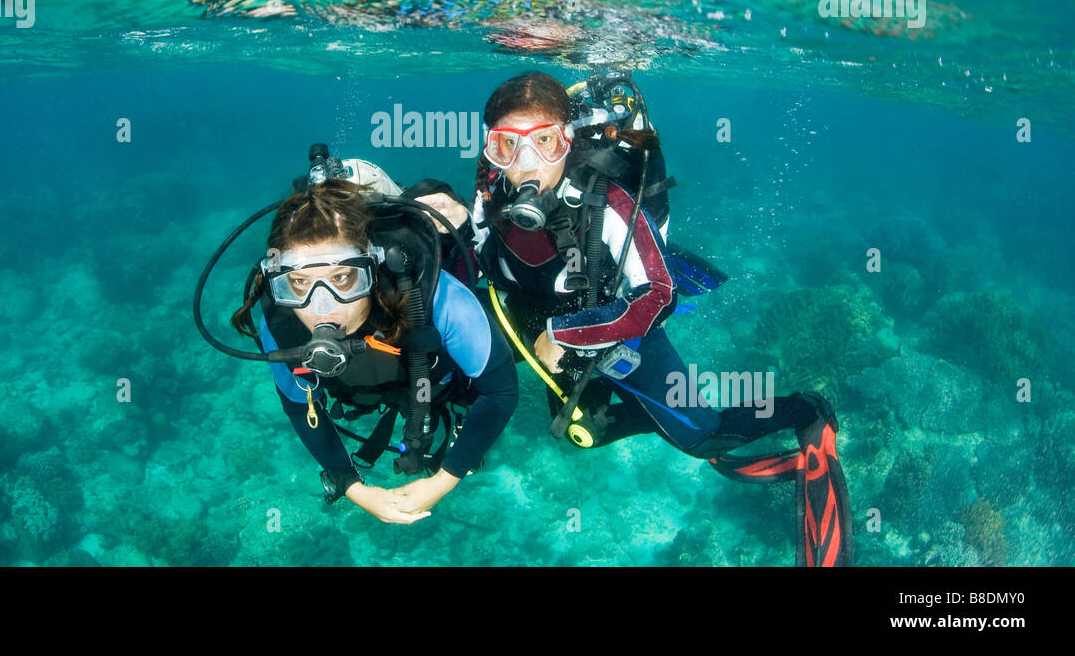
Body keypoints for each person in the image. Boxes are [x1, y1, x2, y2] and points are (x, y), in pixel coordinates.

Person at [415, 71, 852, 566]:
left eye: (545, 142)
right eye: (505, 146)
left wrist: (565, 334)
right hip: (525, 318)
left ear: (568, 140)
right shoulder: (490, 185)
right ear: (490, 148)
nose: (526, 164)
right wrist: (442, 217)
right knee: (583, 433)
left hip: (615, 324)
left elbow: (659, 296)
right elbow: (479, 249)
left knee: (699, 437)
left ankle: (806, 411)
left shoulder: (609, 201)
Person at [226, 176, 518, 525]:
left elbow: (500, 390)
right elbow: (299, 406)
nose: (322, 307)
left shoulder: (435, 298)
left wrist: (445, 479)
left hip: (438, 381)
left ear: (371, 269)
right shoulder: (281, 325)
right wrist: (353, 488)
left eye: (343, 278)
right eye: (299, 284)